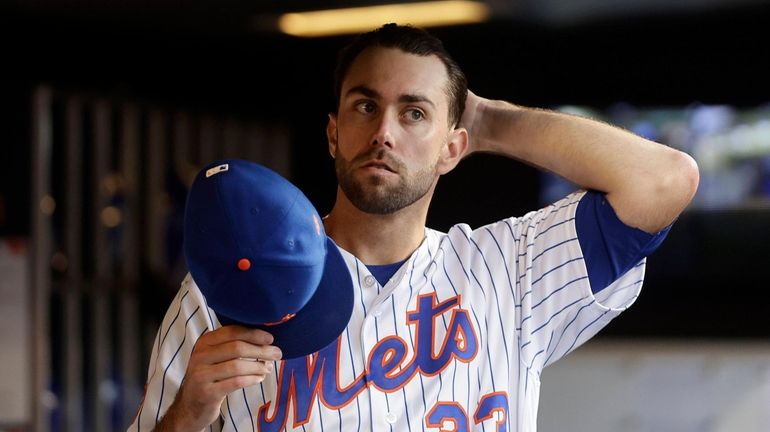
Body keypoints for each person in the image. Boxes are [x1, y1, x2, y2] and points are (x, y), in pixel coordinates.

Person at [128, 23, 699, 432]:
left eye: (415, 113)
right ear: (332, 134)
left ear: (454, 148)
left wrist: (488, 121)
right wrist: (191, 413)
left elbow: (665, 180)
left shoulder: (510, 268)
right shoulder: (224, 283)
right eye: (364, 106)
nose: (384, 133)